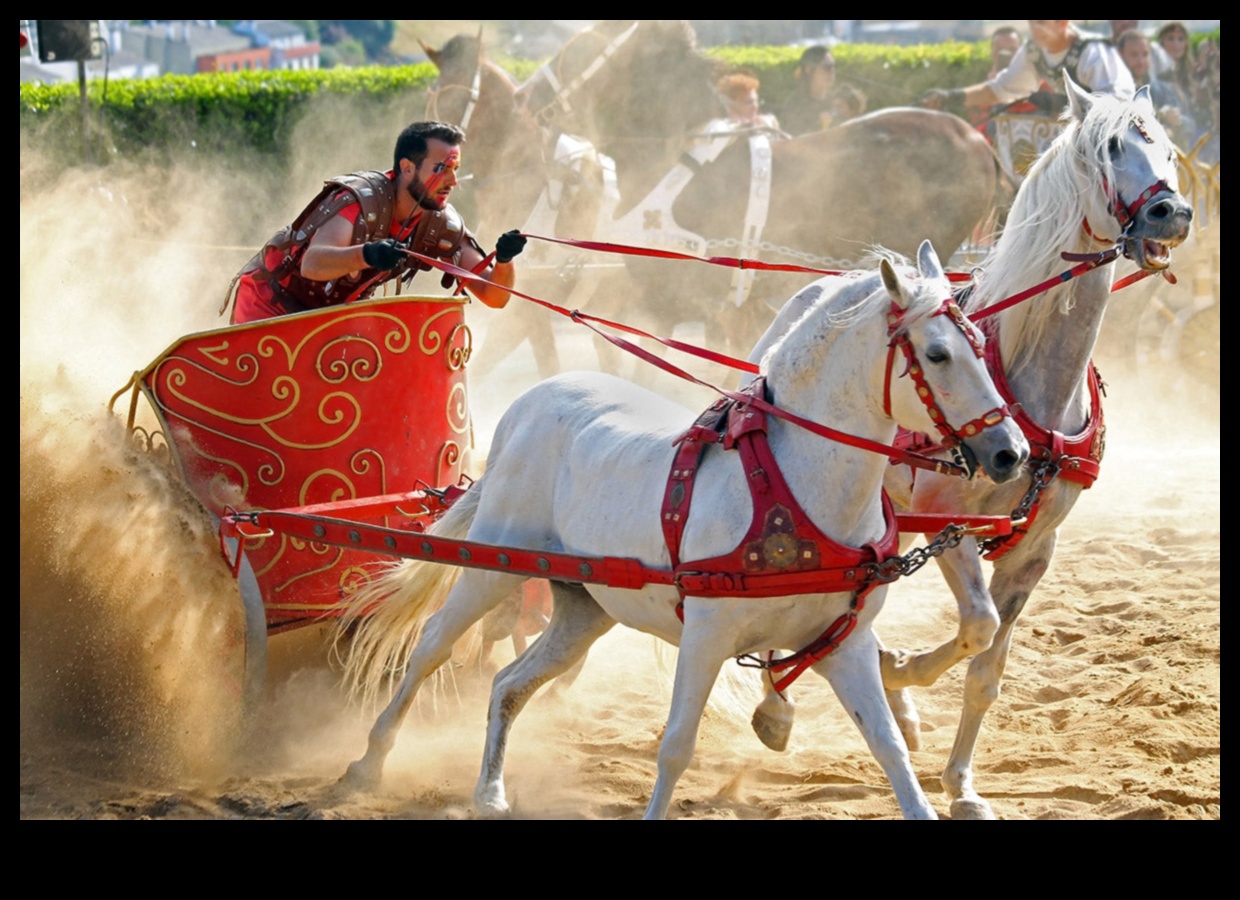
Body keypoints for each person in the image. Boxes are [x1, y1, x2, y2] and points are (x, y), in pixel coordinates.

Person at [227, 121, 525, 324]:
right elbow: (313, 264)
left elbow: (494, 296)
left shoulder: (439, 224)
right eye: (441, 168)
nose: (453, 181)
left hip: (328, 320)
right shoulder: (360, 201)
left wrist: (505, 260)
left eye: (455, 169)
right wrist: (367, 254)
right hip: (268, 307)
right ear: (407, 168)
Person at [919, 20, 1135, 117]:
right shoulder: (1033, 51)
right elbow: (1000, 90)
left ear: (1062, 22)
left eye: (1042, 22)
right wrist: (949, 97)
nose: (1034, 29)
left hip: (1118, 145)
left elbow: (1117, 104)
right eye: (1032, 22)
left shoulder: (1094, 52)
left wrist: (1062, 104)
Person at [1115, 28, 1196, 150]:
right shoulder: (1112, 91)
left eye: (1145, 54)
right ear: (1120, 56)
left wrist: (1177, 121)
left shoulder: (1162, 89)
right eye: (1134, 55)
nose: (1141, 61)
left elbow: (1190, 124)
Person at [777, 45, 837, 135]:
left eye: (834, 66)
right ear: (809, 69)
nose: (832, 71)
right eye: (827, 67)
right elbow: (793, 140)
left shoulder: (836, 101)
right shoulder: (795, 105)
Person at [714, 72, 781, 132]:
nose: (755, 106)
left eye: (756, 101)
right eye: (748, 102)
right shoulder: (721, 128)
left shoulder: (766, 123)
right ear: (731, 104)